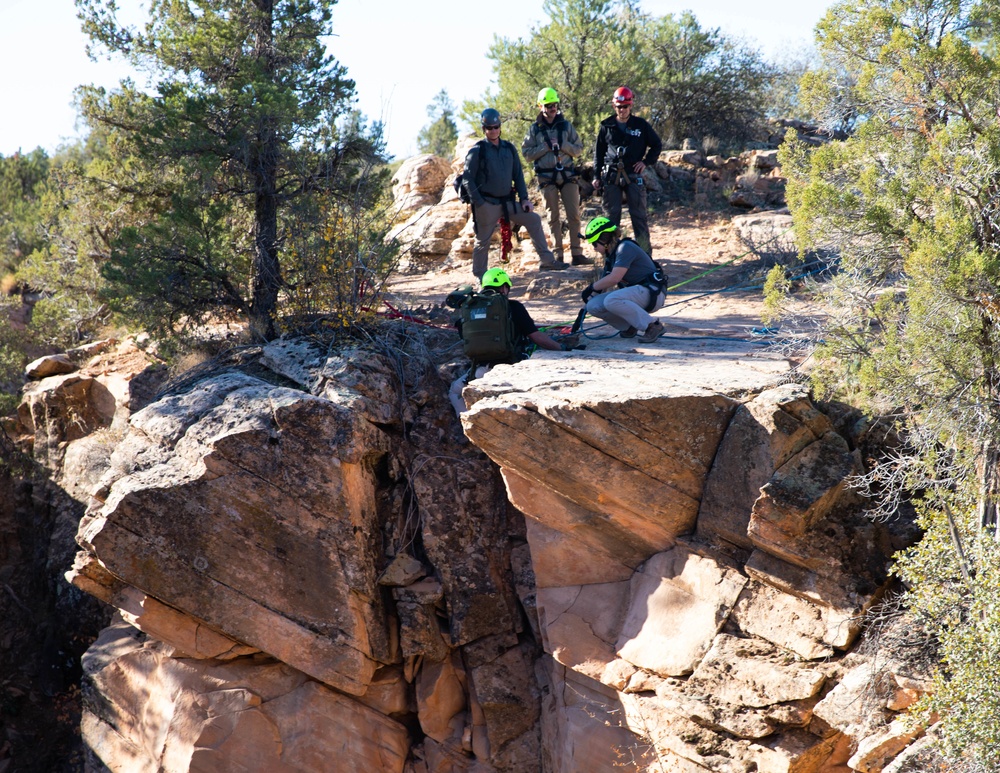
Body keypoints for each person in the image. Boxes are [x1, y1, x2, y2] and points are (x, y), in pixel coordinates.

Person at [449, 267, 579, 414]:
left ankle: (468, 423)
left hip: (481, 371)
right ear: (504, 288)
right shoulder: (514, 307)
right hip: (513, 367)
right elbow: (536, 337)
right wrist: (562, 348)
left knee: (454, 391)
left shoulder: (470, 309)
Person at [461, 108, 566, 280]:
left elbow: (517, 175)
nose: (493, 130)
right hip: (486, 203)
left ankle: (547, 261)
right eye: (489, 128)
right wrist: (479, 202)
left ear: (500, 127)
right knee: (483, 241)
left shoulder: (509, 148)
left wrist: (524, 199)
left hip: (507, 202)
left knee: (533, 219)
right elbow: (467, 179)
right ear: (483, 129)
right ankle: (481, 276)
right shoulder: (477, 150)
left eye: (496, 127)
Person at [521, 88, 592, 267]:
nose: (552, 108)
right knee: (553, 217)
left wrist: (563, 145)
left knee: (574, 215)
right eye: (548, 105)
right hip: (546, 178)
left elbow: (578, 149)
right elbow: (527, 154)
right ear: (540, 106)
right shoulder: (534, 129)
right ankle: (557, 256)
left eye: (554, 105)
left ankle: (577, 254)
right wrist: (544, 147)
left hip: (568, 175)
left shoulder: (566, 126)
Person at [592, 86, 662, 256]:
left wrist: (646, 162)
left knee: (639, 217)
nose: (622, 110)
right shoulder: (606, 126)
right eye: (619, 107)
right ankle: (610, 258)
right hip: (611, 176)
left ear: (631, 106)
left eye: (625, 107)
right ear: (614, 106)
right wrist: (596, 175)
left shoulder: (641, 125)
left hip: (633, 175)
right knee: (610, 219)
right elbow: (598, 153)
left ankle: (646, 257)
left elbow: (656, 145)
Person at [580, 216, 667, 344]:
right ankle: (629, 326)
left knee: (612, 300)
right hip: (639, 294)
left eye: (594, 243)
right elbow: (604, 285)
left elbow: (615, 278)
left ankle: (652, 326)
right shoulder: (612, 256)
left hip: (653, 293)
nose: (594, 248)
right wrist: (588, 300)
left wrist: (591, 288)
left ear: (604, 238)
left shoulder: (625, 248)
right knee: (593, 306)